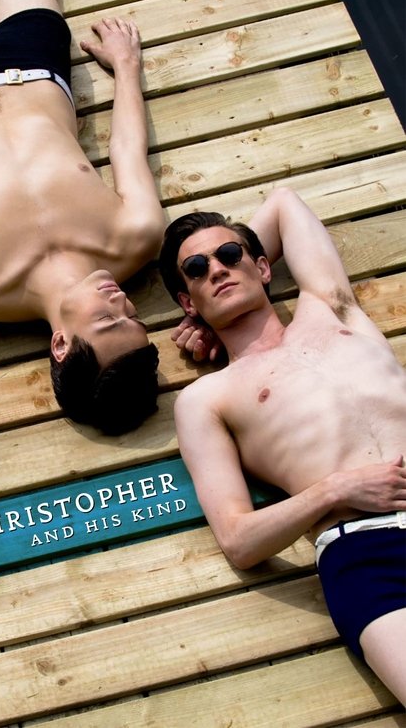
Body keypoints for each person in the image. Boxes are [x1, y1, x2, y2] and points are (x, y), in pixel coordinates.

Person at [159, 186, 406, 704]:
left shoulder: (330, 307)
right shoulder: (207, 398)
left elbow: (284, 202)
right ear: (186, 301)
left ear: (263, 267)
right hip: (368, 554)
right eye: (197, 270)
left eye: (230, 255)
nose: (217, 270)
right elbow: (238, 540)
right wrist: (336, 489)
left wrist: (209, 304)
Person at [0, 0, 165, 435]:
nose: (121, 301)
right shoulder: (138, 234)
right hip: (34, 61)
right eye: (133, 315)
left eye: (108, 319)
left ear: (61, 345)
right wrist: (126, 66)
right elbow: (127, 148)